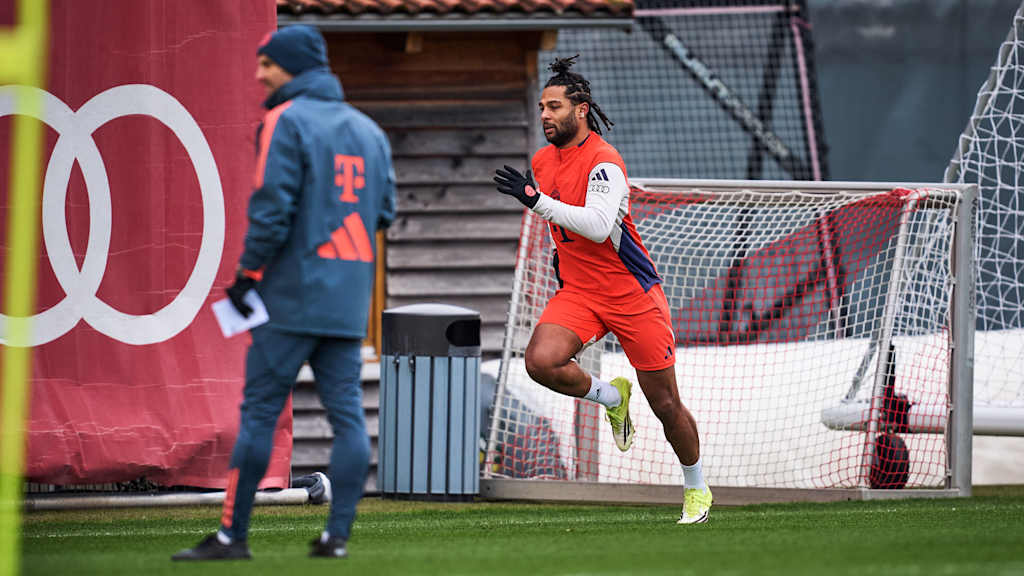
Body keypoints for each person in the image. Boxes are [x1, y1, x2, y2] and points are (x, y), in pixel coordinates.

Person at [172, 25, 396, 560]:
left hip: (291, 297)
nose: (259, 74)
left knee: (258, 415)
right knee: (349, 419)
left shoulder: (283, 121)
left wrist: (247, 276)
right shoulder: (371, 132)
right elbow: (384, 214)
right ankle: (336, 538)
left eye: (267, 64)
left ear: (291, 65)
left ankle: (232, 537)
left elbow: (272, 210)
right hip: (348, 303)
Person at [493, 55, 711, 524]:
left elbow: (595, 226)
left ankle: (696, 488)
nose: (545, 116)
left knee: (666, 403)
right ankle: (613, 398)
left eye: (554, 107)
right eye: (541, 109)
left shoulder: (605, 162)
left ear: (582, 109)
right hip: (580, 293)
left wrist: (534, 200)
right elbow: (559, 223)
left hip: (631, 294)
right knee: (540, 361)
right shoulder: (541, 160)